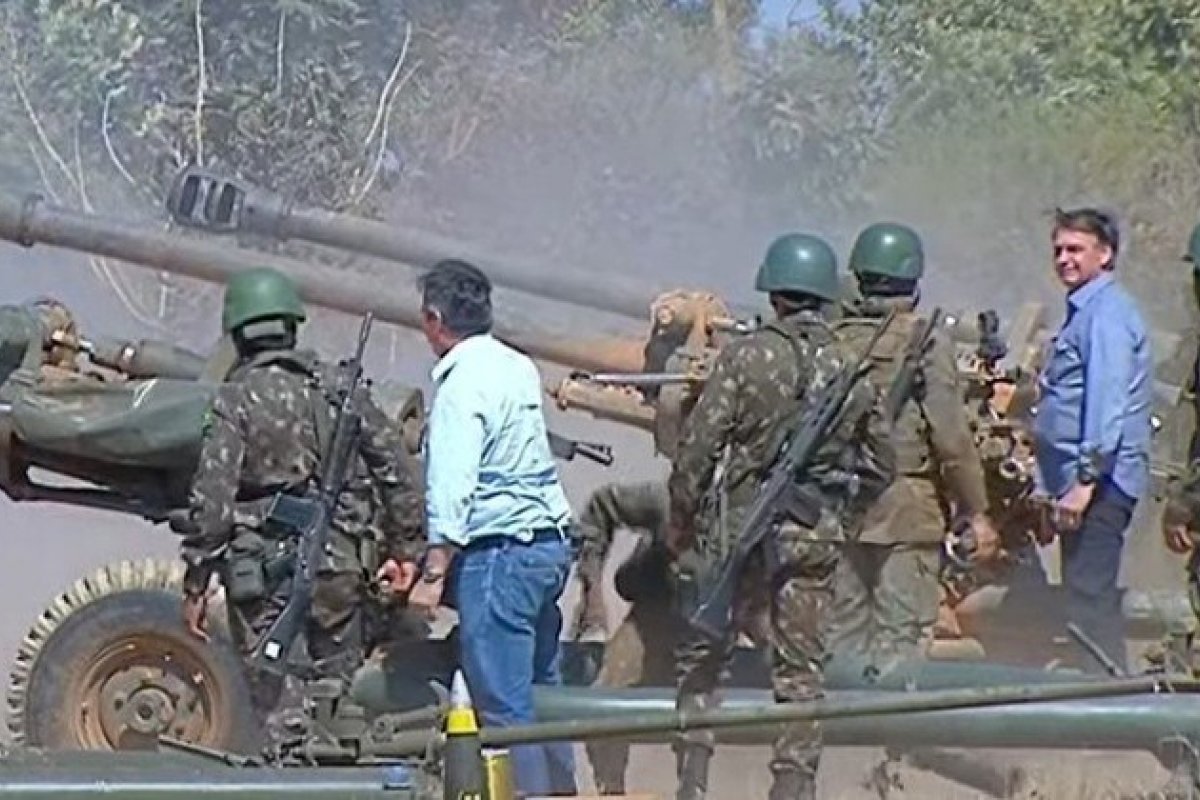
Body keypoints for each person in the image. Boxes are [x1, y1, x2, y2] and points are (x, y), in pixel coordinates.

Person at [666, 233, 896, 800]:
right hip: (813, 536)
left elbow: (698, 447)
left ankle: (692, 780)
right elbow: (882, 462)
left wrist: (683, 517)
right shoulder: (850, 366)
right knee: (800, 675)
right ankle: (793, 788)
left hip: (738, 531)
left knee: (705, 660)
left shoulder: (745, 356)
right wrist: (842, 507)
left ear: (774, 293)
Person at [178, 266, 423, 724]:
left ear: (238, 336)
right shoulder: (338, 391)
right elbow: (399, 474)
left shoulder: (236, 399)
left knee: (276, 711)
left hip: (264, 576)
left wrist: (196, 582)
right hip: (342, 571)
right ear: (292, 327)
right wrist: (405, 550)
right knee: (342, 705)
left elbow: (212, 505)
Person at [406, 259, 577, 797]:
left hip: (499, 556)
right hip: (546, 548)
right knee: (544, 691)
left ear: (435, 319)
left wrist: (433, 574)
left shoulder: (460, 386)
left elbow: (453, 487)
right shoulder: (517, 366)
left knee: (503, 706)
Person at [824, 222, 999, 674]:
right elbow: (952, 439)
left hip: (835, 509)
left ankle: (840, 738)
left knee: (840, 638)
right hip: (906, 511)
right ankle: (894, 740)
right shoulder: (925, 342)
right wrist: (976, 512)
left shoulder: (831, 339)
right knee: (900, 642)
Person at [1032, 207, 1152, 675]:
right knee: (1083, 593)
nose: (1064, 258)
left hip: (1100, 484)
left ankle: (1104, 705)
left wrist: (1084, 480)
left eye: (1075, 249)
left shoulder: (1106, 316)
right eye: (1059, 249)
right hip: (1080, 483)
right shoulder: (1083, 312)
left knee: (1089, 596)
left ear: (1105, 255)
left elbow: (1107, 406)